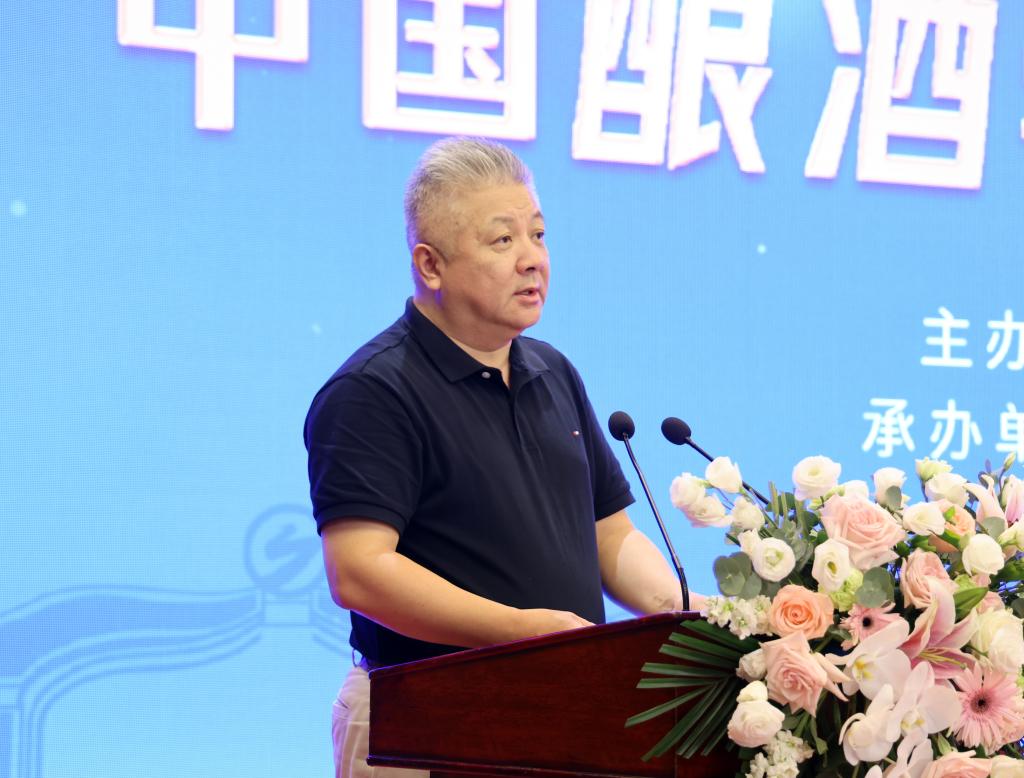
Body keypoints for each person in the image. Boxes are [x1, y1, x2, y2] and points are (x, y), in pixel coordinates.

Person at [304, 137, 697, 778]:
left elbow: (610, 536)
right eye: (503, 240)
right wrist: (521, 631)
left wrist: (689, 613)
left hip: (566, 715)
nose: (532, 259)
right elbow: (359, 571)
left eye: (538, 235)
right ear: (430, 265)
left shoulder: (553, 371)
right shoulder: (373, 391)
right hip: (425, 725)